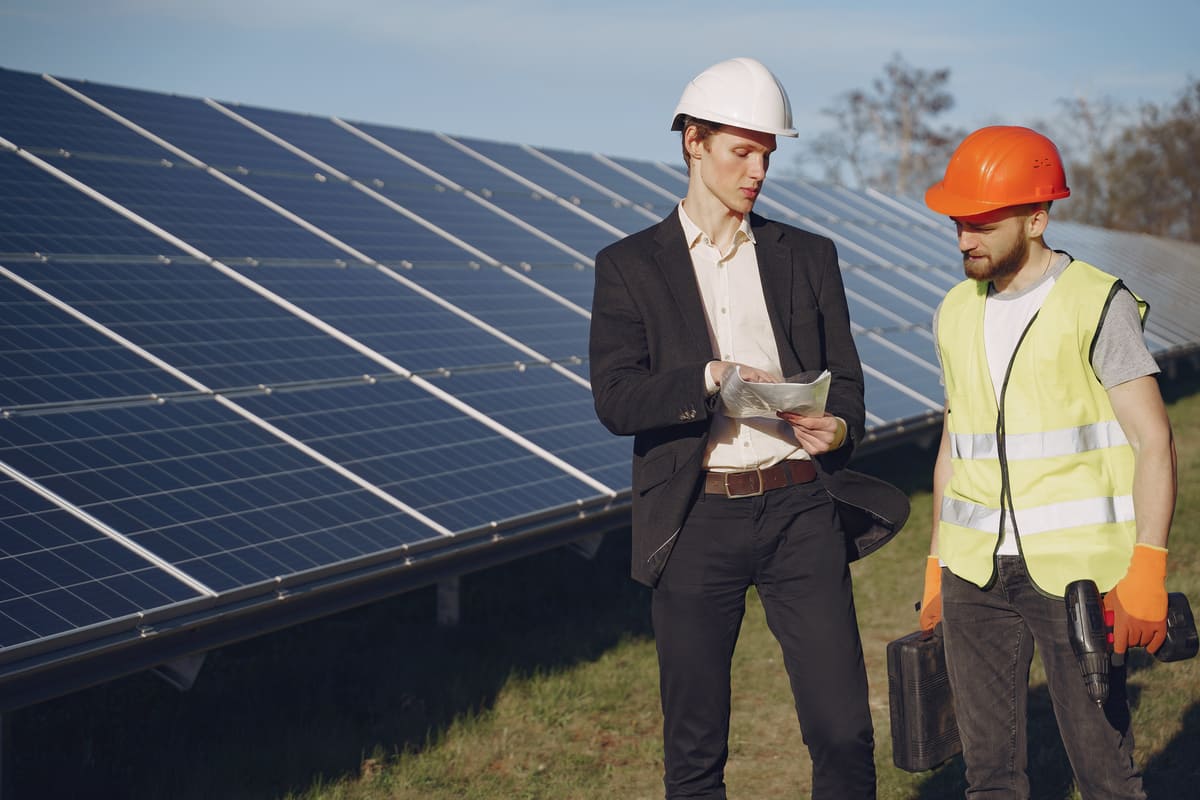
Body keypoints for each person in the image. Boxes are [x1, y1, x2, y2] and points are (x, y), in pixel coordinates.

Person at [590, 56, 905, 800]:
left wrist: (840, 426)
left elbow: (848, 381)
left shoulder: (808, 257)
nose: (759, 168)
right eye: (742, 150)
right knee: (695, 744)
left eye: (768, 152)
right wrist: (702, 380)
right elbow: (616, 398)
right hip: (695, 515)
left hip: (800, 507)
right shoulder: (629, 266)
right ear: (693, 142)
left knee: (843, 730)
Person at [919, 125, 1178, 798]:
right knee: (989, 778)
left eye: (981, 223)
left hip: (1078, 582)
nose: (964, 239)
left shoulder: (1097, 302)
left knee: (1104, 775)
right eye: (958, 223)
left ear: (1036, 218)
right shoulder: (953, 311)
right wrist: (935, 560)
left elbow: (1154, 440)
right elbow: (955, 445)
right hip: (973, 577)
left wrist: (1147, 567)